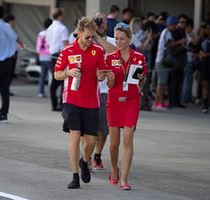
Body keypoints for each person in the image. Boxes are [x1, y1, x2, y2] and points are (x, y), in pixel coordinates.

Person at [54, 17, 107, 189]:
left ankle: (85, 162)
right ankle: (75, 176)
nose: (90, 40)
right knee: (75, 137)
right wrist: (68, 72)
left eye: (93, 37)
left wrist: (102, 75)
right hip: (72, 100)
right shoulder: (67, 51)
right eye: (87, 37)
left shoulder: (98, 51)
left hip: (91, 101)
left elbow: (100, 74)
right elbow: (57, 74)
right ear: (79, 33)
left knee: (91, 142)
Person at [106, 22, 148, 190]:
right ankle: (113, 168)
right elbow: (109, 85)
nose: (118, 42)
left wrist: (141, 81)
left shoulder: (139, 57)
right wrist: (109, 77)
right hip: (114, 101)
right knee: (114, 143)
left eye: (122, 39)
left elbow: (142, 80)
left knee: (128, 139)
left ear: (129, 39)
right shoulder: (110, 58)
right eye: (116, 39)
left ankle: (124, 178)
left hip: (131, 101)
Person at [91, 11, 116, 170]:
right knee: (86, 129)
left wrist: (98, 37)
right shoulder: (85, 40)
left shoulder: (112, 41)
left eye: (103, 21)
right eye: (97, 21)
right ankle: (85, 156)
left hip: (106, 90)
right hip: (89, 90)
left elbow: (115, 52)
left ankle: (97, 156)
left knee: (103, 129)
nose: (101, 24)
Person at [46, 8, 69, 111]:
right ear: (59, 16)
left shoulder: (50, 28)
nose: (64, 16)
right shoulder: (62, 28)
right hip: (60, 55)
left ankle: (53, 104)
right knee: (63, 80)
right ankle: (61, 104)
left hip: (52, 56)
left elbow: (48, 42)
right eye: (63, 14)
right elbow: (66, 45)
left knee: (55, 81)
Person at [4, 14, 24, 96]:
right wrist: (21, 44)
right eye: (12, 21)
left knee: (7, 73)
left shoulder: (3, 28)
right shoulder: (8, 28)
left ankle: (5, 89)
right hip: (10, 55)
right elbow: (16, 38)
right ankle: (5, 89)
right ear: (9, 21)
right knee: (9, 73)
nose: (13, 23)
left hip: (7, 54)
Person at [36, 18, 53, 98]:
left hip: (42, 56)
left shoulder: (41, 33)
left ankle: (40, 92)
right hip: (49, 56)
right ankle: (52, 91)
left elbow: (38, 46)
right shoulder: (51, 33)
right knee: (54, 75)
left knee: (42, 75)